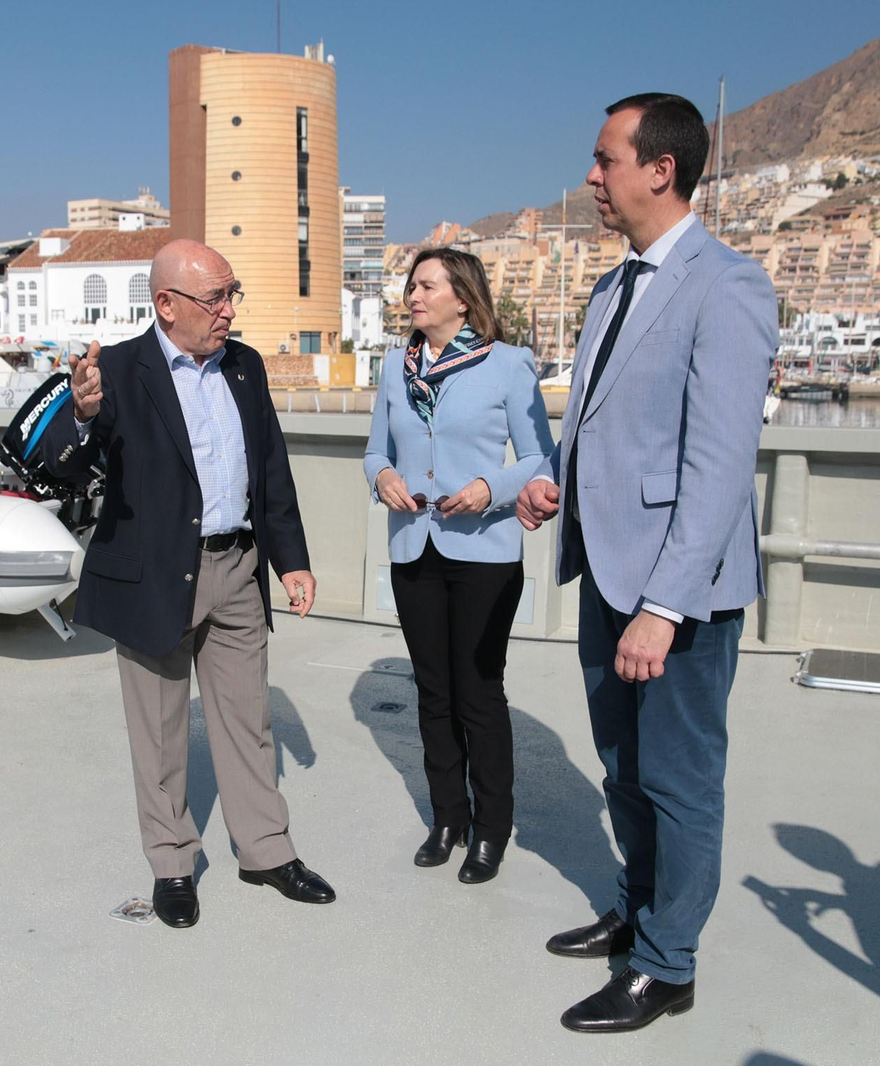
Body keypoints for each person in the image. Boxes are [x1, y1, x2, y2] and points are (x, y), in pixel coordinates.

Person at [516, 93, 777, 1032]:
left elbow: (716, 466)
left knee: (679, 777)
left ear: (659, 169)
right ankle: (638, 908)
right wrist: (556, 481)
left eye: (604, 160)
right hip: (606, 571)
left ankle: (668, 966)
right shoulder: (611, 286)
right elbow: (601, 424)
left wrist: (663, 608)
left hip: (678, 596)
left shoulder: (729, 285)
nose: (591, 178)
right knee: (622, 765)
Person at [35, 239, 335, 930]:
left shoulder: (244, 367)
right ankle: (172, 862)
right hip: (154, 576)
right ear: (167, 306)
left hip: (237, 568)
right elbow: (59, 467)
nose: (229, 311)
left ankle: (265, 850)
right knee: (161, 732)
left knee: (246, 720)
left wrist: (290, 558)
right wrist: (79, 415)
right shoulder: (114, 370)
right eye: (215, 298)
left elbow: (270, 469)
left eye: (233, 295)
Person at [363, 248, 553, 884]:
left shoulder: (508, 366)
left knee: (477, 693)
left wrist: (488, 489)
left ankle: (492, 828)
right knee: (432, 692)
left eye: (425, 285)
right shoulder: (396, 367)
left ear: (463, 298)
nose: (412, 295)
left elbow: (538, 458)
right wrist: (384, 475)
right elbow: (374, 453)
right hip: (414, 546)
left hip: (484, 554)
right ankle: (448, 816)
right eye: (410, 285)